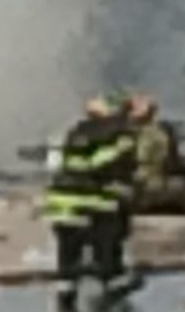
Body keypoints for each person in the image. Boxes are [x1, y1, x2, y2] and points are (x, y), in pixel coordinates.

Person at [47, 98, 136, 298]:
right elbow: (113, 166)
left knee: (68, 243)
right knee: (106, 236)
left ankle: (66, 281)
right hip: (92, 197)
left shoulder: (76, 131)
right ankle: (112, 279)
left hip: (60, 198)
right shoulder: (121, 136)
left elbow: (62, 162)